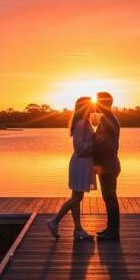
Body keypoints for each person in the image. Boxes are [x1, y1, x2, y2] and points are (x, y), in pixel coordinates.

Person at [47, 96, 95, 240]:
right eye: (90, 104)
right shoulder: (81, 124)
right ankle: (54, 221)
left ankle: (78, 229)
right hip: (80, 163)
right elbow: (78, 147)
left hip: (83, 163)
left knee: (76, 196)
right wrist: (95, 145)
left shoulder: (85, 122)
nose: (93, 107)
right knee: (77, 197)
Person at [93, 91, 120, 241]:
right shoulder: (108, 118)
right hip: (108, 165)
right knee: (108, 197)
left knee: (110, 198)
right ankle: (110, 228)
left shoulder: (108, 119)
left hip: (109, 165)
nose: (96, 104)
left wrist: (91, 147)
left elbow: (105, 144)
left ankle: (113, 231)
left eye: (98, 101)